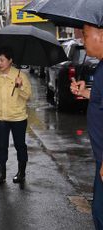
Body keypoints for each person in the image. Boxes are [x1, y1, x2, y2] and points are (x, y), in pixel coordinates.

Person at [70, 24, 103, 230]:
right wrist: (86, 93)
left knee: (100, 213)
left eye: (86, 34)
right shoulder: (100, 66)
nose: (83, 40)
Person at [0, 47, 32, 187]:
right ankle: (1, 175)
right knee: (1, 146)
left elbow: (28, 97)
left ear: (10, 61)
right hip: (1, 118)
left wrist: (20, 86)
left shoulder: (20, 76)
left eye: (2, 60)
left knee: (20, 145)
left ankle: (21, 173)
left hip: (18, 118)